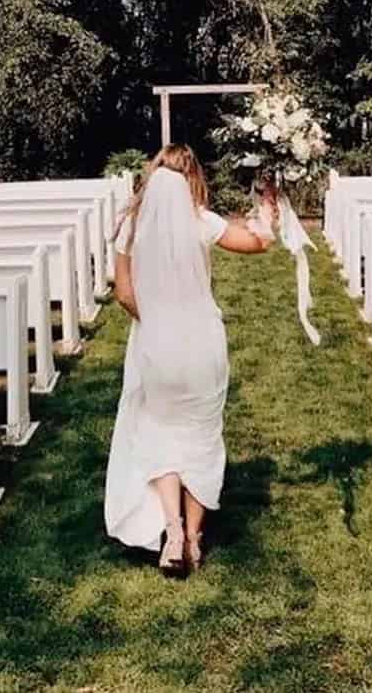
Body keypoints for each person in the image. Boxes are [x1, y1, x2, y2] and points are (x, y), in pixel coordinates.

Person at [103, 143, 275, 576]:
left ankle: (173, 532)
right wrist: (269, 202)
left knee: (159, 431)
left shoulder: (132, 226)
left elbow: (123, 293)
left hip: (157, 344)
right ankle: (196, 539)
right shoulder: (202, 221)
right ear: (192, 178)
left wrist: (158, 323)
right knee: (202, 434)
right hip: (203, 342)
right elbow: (257, 244)